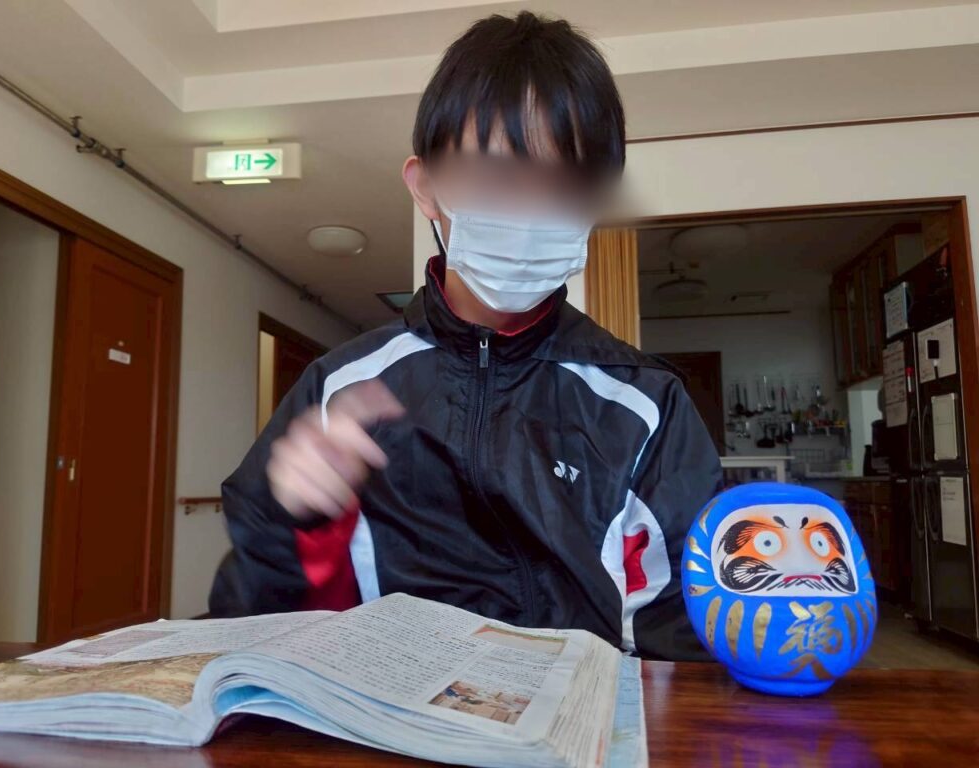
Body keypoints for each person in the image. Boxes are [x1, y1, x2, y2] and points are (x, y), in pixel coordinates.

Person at [211, 10, 722, 660]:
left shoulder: (645, 403)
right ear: (426, 188)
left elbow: (686, 636)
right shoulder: (339, 389)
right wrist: (301, 525)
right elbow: (248, 628)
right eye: (500, 179)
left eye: (566, 187)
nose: (533, 213)